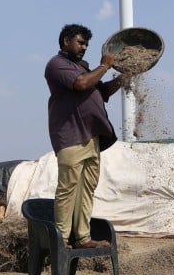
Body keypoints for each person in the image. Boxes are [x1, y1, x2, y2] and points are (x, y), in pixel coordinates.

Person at [45, 23, 123, 249]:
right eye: (80, 42)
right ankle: (61, 238)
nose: (84, 47)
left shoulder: (86, 68)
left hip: (92, 136)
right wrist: (104, 66)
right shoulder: (57, 65)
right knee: (68, 188)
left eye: (87, 44)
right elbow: (81, 84)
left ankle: (82, 237)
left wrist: (122, 79)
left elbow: (101, 91)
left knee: (87, 187)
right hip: (71, 136)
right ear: (66, 40)